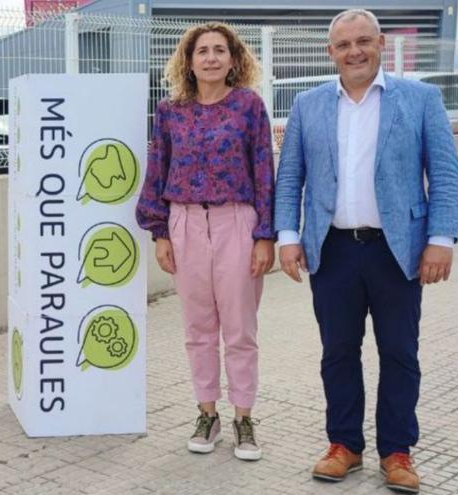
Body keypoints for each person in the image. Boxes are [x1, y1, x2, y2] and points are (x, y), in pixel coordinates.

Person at [274, 9, 458, 494]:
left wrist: (440, 240)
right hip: (332, 250)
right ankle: (344, 446)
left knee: (400, 352)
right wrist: (287, 237)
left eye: (363, 41)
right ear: (329, 52)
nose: (354, 51)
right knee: (337, 352)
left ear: (380, 42)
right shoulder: (307, 104)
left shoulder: (420, 99)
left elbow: (444, 173)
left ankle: (397, 452)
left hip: (397, 250)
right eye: (344, 44)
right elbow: (290, 176)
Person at [136, 22, 275, 461]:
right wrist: (160, 233)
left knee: (239, 328)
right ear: (189, 61)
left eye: (220, 50)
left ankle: (244, 418)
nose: (211, 58)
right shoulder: (170, 111)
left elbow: (264, 171)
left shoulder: (249, 107)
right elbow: (158, 168)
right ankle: (207, 413)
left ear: (234, 59)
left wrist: (264, 236)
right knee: (198, 328)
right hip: (185, 223)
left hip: (237, 220)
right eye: (203, 51)